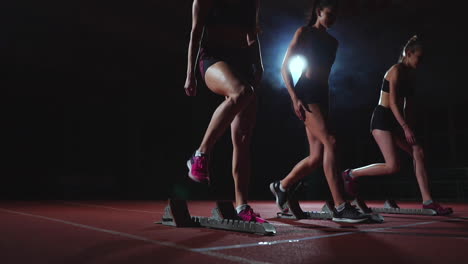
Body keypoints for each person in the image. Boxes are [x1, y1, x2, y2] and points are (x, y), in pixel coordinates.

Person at [269, 0, 369, 223]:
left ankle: (281, 185)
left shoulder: (334, 42)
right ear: (318, 11)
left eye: (336, 16)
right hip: (306, 94)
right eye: (329, 14)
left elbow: (325, 76)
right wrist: (294, 97)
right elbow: (285, 67)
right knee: (331, 142)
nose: (332, 19)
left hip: (322, 97)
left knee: (316, 157)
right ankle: (341, 206)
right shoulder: (304, 32)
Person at [341, 35, 453, 215]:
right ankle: (351, 174)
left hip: (395, 121)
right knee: (393, 166)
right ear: (408, 54)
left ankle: (428, 201)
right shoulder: (396, 70)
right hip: (382, 119)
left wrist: (408, 127)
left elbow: (407, 105)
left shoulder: (410, 76)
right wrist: (405, 127)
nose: (421, 62)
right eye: (419, 57)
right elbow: (392, 103)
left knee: (418, 151)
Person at [184, 0, 266, 222]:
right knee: (241, 93)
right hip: (213, 60)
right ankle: (200, 154)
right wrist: (190, 74)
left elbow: (252, 34)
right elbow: (196, 34)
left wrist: (259, 64)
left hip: (242, 63)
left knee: (243, 137)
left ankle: (242, 206)